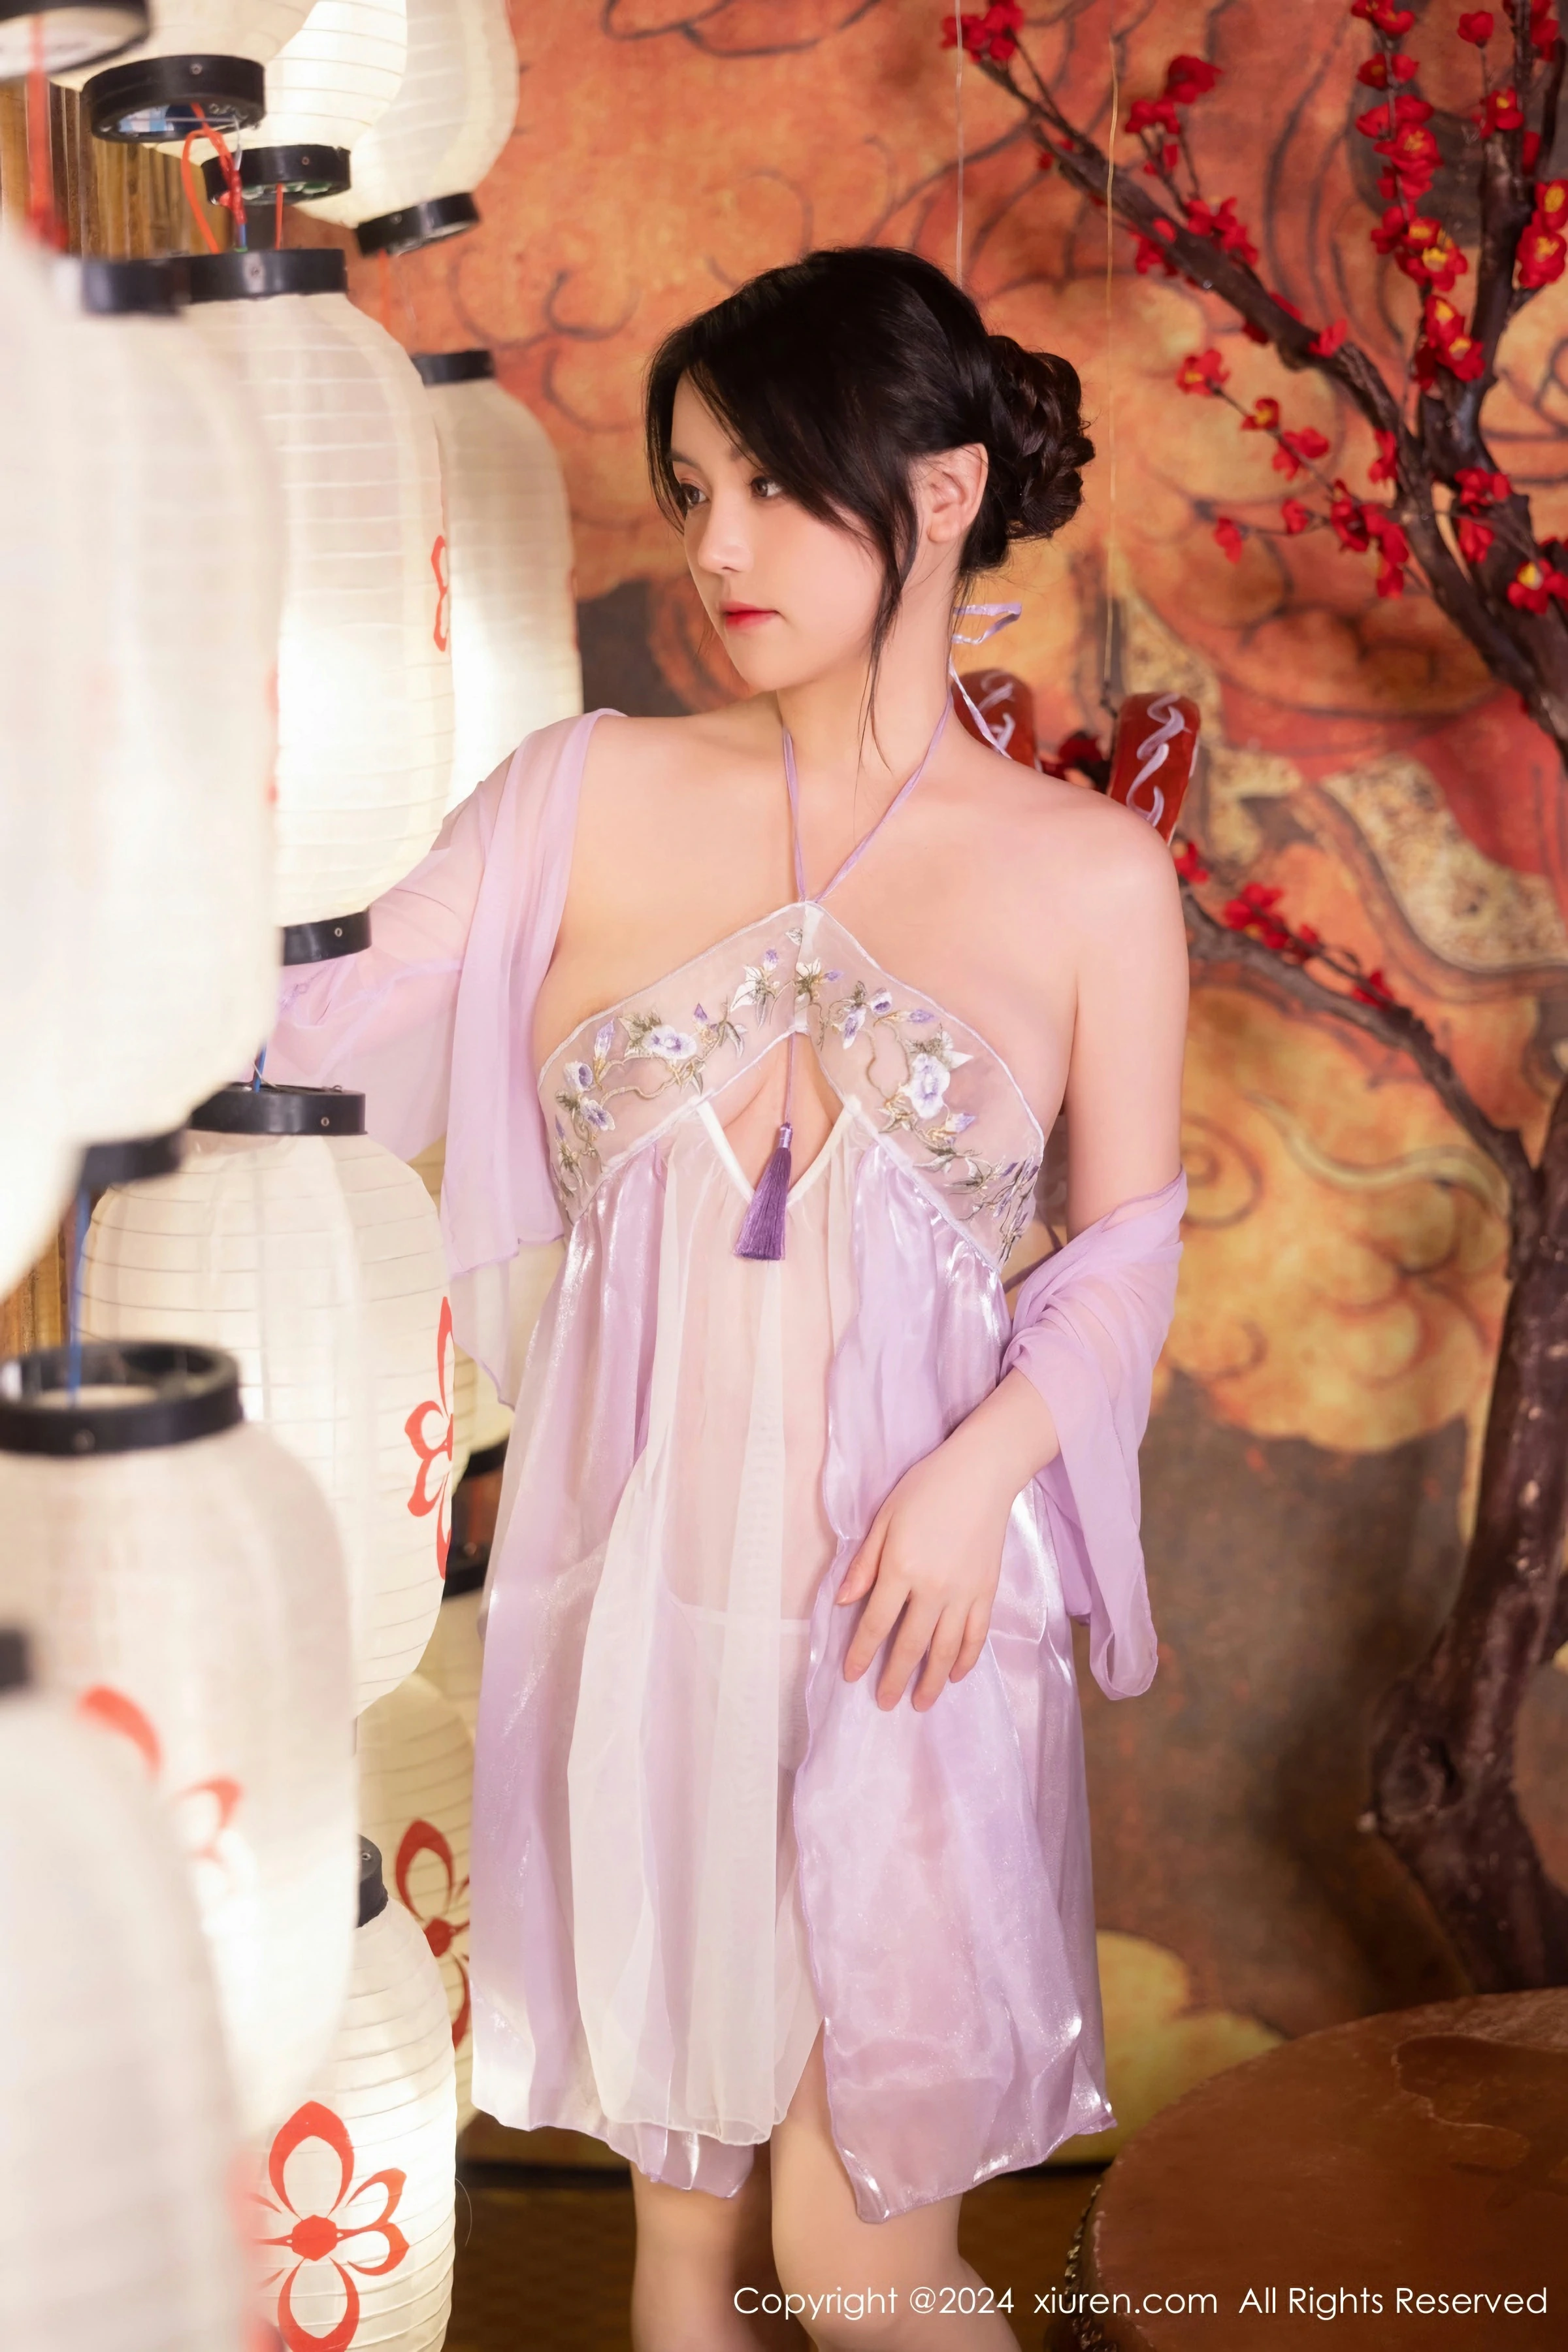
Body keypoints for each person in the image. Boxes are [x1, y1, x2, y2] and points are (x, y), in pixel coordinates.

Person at [267, 244, 1190, 2352]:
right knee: (682, 2254)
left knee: (863, 2273)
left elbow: (1126, 1260)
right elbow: (309, 1024)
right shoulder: (579, 795)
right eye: (694, 490)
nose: (719, 546)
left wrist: (980, 1476)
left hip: (908, 1621)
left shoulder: (1086, 875)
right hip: (648, 1610)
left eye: (775, 484)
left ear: (944, 491)